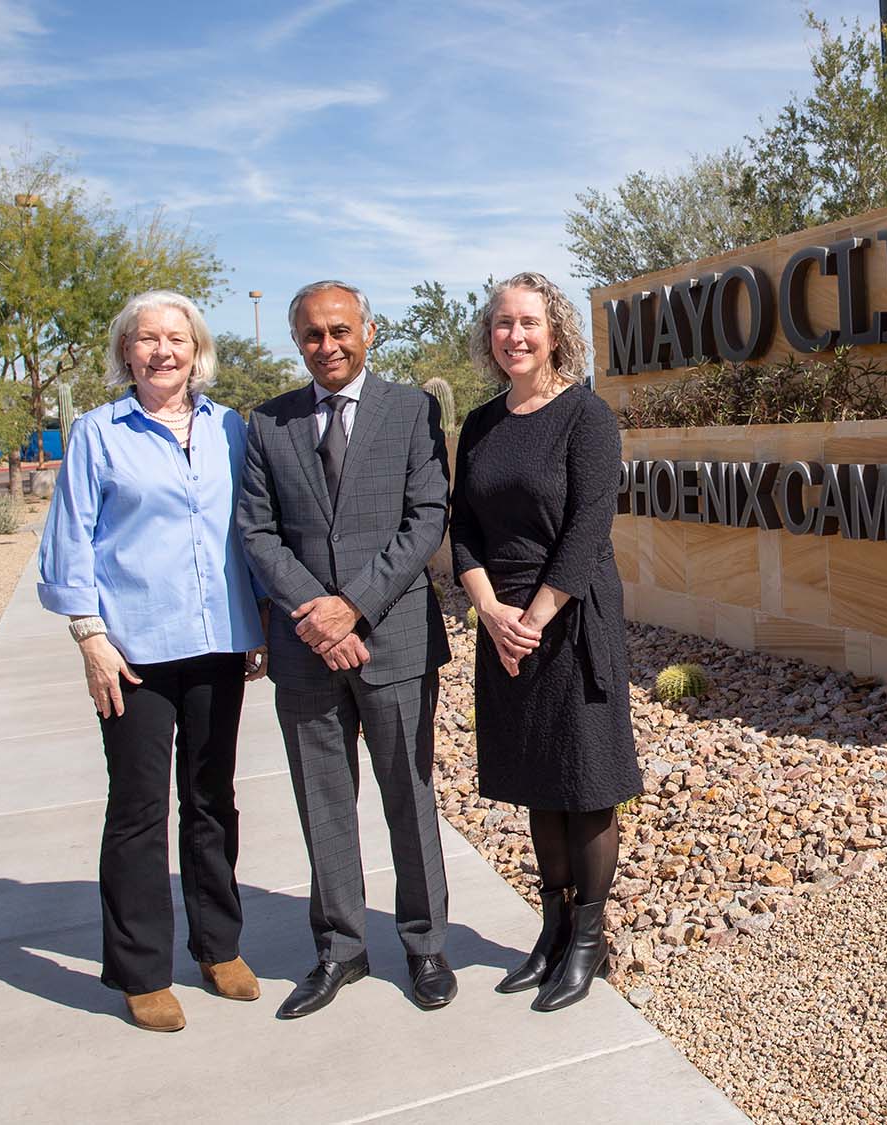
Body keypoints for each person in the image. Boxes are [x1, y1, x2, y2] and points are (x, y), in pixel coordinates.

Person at [36, 290, 267, 1033]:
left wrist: (258, 616)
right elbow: (70, 539)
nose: (162, 350)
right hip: (131, 650)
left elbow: (250, 529)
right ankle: (140, 969)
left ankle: (218, 945)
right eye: (146, 339)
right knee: (137, 810)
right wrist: (89, 636)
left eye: (176, 337)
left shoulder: (231, 428)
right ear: (126, 351)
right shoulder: (98, 434)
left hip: (219, 642)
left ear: (196, 347)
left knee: (210, 798)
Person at [235, 279, 457, 1018]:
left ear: (367, 330)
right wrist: (316, 614)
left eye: (339, 330)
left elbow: (427, 516)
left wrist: (353, 607)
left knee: (409, 797)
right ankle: (341, 948)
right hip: (305, 648)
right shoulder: (268, 425)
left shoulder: (411, 410)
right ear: (296, 341)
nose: (326, 346)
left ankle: (424, 942)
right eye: (310, 335)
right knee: (323, 802)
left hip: (392, 638)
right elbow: (257, 532)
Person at [452, 271, 642, 1012]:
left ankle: (590, 941)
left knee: (584, 780)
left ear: (554, 330)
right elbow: (462, 526)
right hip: (504, 617)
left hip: (571, 615)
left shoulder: (586, 416)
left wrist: (533, 614)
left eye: (528, 322)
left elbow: (590, 525)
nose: (515, 336)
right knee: (537, 777)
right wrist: (490, 609)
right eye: (502, 323)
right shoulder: (480, 424)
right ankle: (553, 927)